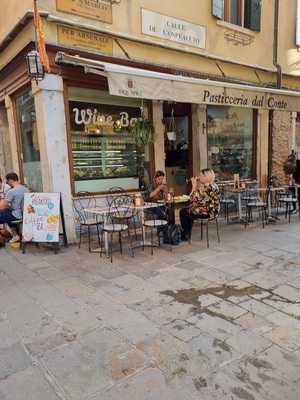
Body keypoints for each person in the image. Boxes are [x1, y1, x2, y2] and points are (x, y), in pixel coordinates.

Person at [180, 168, 220, 241]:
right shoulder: (214, 185)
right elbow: (201, 201)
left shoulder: (207, 188)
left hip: (208, 213)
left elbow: (192, 198)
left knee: (183, 212)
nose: (199, 177)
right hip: (213, 211)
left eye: (201, 175)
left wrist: (194, 185)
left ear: (206, 177)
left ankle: (185, 235)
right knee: (189, 210)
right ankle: (187, 234)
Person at [0, 172, 28, 242]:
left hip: (16, 215)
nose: (7, 183)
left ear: (10, 180)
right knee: (5, 212)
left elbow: (2, 205)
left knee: (3, 213)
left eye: (7, 181)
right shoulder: (25, 189)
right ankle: (15, 235)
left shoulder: (11, 191)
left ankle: (13, 235)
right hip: (25, 213)